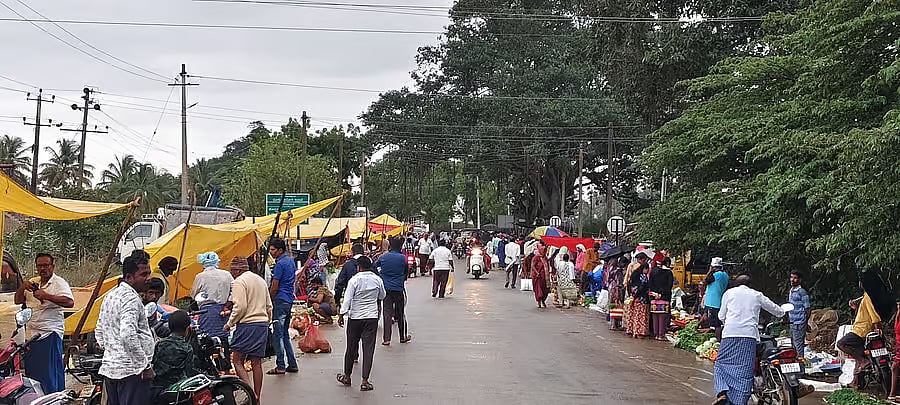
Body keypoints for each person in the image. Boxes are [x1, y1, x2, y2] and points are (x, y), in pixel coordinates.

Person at [713, 275, 786, 405]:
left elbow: (721, 316)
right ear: (750, 285)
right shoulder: (756, 295)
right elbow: (776, 309)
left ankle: (722, 393)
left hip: (730, 334)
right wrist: (783, 314)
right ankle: (739, 402)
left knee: (720, 364)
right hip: (748, 336)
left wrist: (730, 323)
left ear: (736, 284)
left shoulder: (729, 293)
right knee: (745, 371)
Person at [96, 253, 155, 405]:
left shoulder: (110, 296)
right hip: (132, 372)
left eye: (149, 273)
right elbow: (127, 335)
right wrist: (144, 365)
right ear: (129, 277)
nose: (148, 278)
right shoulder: (131, 299)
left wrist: (112, 350)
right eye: (143, 274)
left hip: (111, 369)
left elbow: (99, 331)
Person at [14, 253, 74, 393]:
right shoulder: (33, 282)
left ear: (52, 266)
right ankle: (38, 399)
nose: (43, 269)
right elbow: (17, 301)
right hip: (32, 335)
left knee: (50, 373)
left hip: (50, 333)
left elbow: (70, 302)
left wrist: (46, 296)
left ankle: (53, 398)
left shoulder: (59, 283)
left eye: (46, 265)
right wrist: (22, 287)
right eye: (40, 266)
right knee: (34, 374)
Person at [225, 256, 272, 401]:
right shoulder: (260, 280)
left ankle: (251, 394)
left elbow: (240, 306)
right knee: (256, 362)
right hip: (262, 324)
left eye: (232, 271)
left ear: (238, 270)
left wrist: (229, 323)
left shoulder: (239, 281)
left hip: (247, 324)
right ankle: (257, 397)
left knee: (237, 361)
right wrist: (266, 321)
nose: (232, 274)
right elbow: (269, 306)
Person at [336, 256, 385, 392]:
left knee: (351, 347)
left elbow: (347, 300)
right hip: (371, 318)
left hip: (355, 318)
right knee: (368, 349)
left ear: (358, 267)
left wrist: (341, 315)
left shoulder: (354, 280)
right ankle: (365, 381)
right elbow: (382, 296)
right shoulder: (377, 279)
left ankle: (347, 376)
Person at [837, 269, 894, 380]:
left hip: (861, 330)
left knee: (841, 344)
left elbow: (873, 314)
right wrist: (856, 308)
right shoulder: (876, 295)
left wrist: (877, 326)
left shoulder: (868, 297)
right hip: (868, 328)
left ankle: (863, 360)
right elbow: (867, 312)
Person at [190, 251, 233, 368]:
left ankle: (210, 366)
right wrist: (227, 305)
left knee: (207, 340)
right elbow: (234, 291)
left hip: (206, 311)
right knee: (223, 338)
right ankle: (226, 365)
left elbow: (194, 294)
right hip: (224, 311)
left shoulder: (200, 277)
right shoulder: (227, 275)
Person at [268, 238, 299, 375]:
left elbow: (275, 285)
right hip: (288, 300)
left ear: (280, 250)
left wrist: (268, 299)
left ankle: (280, 365)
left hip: (280, 300)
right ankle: (292, 363)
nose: (271, 253)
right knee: (284, 334)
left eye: (273, 250)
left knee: (278, 335)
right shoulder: (290, 261)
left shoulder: (280, 264)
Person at [151, 310, 194, 398]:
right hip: (177, 389)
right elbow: (190, 372)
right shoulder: (187, 348)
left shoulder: (160, 344)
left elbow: (154, 363)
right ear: (187, 329)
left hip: (157, 387)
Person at [375, 237, 410, 344]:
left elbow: (374, 267)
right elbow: (406, 272)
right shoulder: (403, 258)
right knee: (400, 313)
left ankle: (387, 339)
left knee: (387, 313)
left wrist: (381, 276)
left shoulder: (383, 257)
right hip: (399, 289)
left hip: (386, 289)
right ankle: (402, 336)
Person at [649, 257, 675, 341]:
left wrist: (655, 293)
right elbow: (669, 286)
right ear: (667, 263)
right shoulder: (669, 273)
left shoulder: (653, 272)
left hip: (654, 297)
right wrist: (661, 294)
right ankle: (661, 335)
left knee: (655, 317)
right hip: (664, 298)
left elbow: (650, 284)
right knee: (663, 317)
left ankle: (656, 334)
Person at [787, 271, 811, 358]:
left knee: (798, 346)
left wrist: (805, 322)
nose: (792, 280)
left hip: (799, 323)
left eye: (795, 278)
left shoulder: (802, 292)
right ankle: (794, 365)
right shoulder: (792, 290)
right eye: (791, 277)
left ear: (800, 280)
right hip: (792, 322)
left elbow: (808, 309)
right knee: (793, 345)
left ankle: (800, 367)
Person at [704, 257, 729, 340]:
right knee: (719, 322)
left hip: (713, 302)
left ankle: (718, 340)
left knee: (716, 324)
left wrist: (710, 271)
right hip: (720, 301)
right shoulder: (725, 275)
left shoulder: (715, 275)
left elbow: (705, 280)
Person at [626, 263, 651, 338]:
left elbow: (628, 285)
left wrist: (632, 296)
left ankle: (631, 330)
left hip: (632, 298)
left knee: (633, 315)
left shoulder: (634, 275)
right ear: (645, 269)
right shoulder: (643, 276)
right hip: (641, 299)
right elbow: (642, 287)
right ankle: (639, 332)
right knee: (640, 316)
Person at [531, 243, 551, 308]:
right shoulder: (536, 257)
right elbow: (533, 266)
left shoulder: (545, 258)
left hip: (545, 277)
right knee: (539, 290)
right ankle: (539, 302)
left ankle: (543, 301)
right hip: (538, 277)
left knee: (545, 290)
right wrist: (537, 273)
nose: (544, 252)